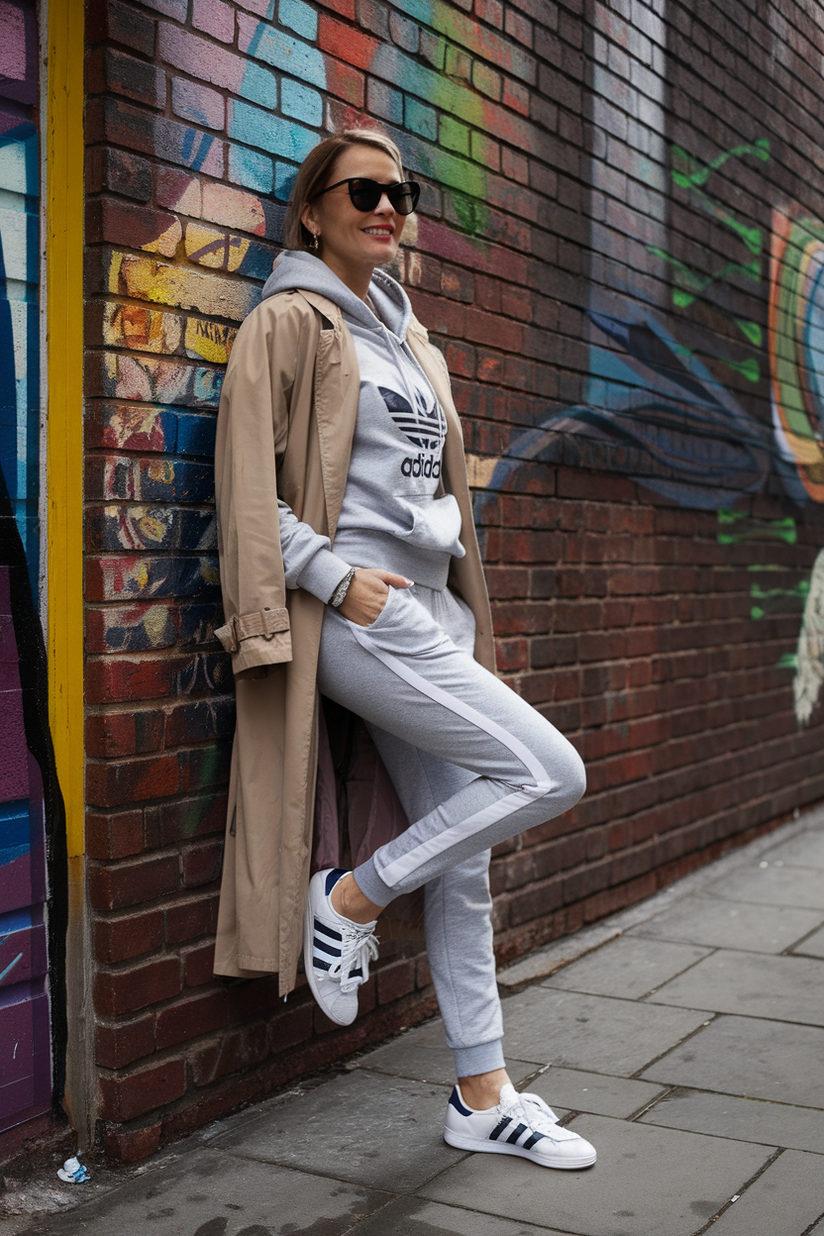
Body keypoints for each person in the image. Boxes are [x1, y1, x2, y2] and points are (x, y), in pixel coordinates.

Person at [213, 128, 596, 1170]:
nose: (388, 205)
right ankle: (349, 897)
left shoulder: (407, 338)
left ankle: (480, 1095)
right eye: (363, 189)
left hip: (433, 617)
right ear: (311, 211)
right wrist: (340, 582)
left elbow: (429, 492)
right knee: (547, 770)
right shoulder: (288, 325)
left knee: (464, 862)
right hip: (359, 619)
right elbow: (247, 497)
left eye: (401, 190)